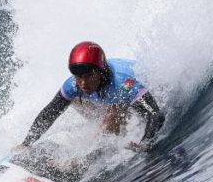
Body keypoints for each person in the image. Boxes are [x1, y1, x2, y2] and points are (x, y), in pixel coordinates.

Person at [17, 41, 165, 153]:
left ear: (100, 72)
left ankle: (100, 146)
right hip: (113, 97)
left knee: (110, 120)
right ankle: (105, 130)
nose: (83, 83)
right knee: (70, 99)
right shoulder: (74, 84)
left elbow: (155, 115)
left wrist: (145, 142)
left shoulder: (123, 83)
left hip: (147, 91)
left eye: (88, 76)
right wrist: (26, 143)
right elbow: (50, 112)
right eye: (78, 77)